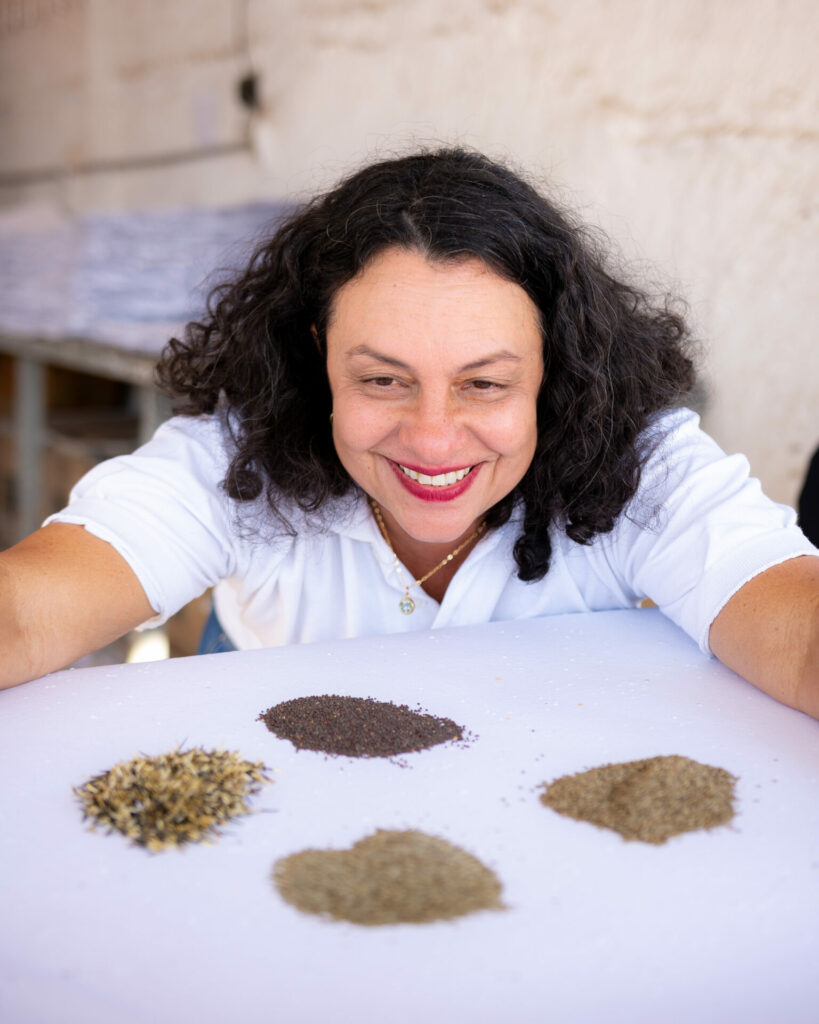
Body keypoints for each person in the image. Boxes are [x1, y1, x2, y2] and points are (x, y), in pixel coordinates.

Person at [1, 148, 817, 716]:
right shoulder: (235, 463)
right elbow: (25, 614)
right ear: (319, 354)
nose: (431, 441)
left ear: (554, 368)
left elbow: (800, 636)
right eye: (382, 380)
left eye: (485, 384)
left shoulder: (642, 470)